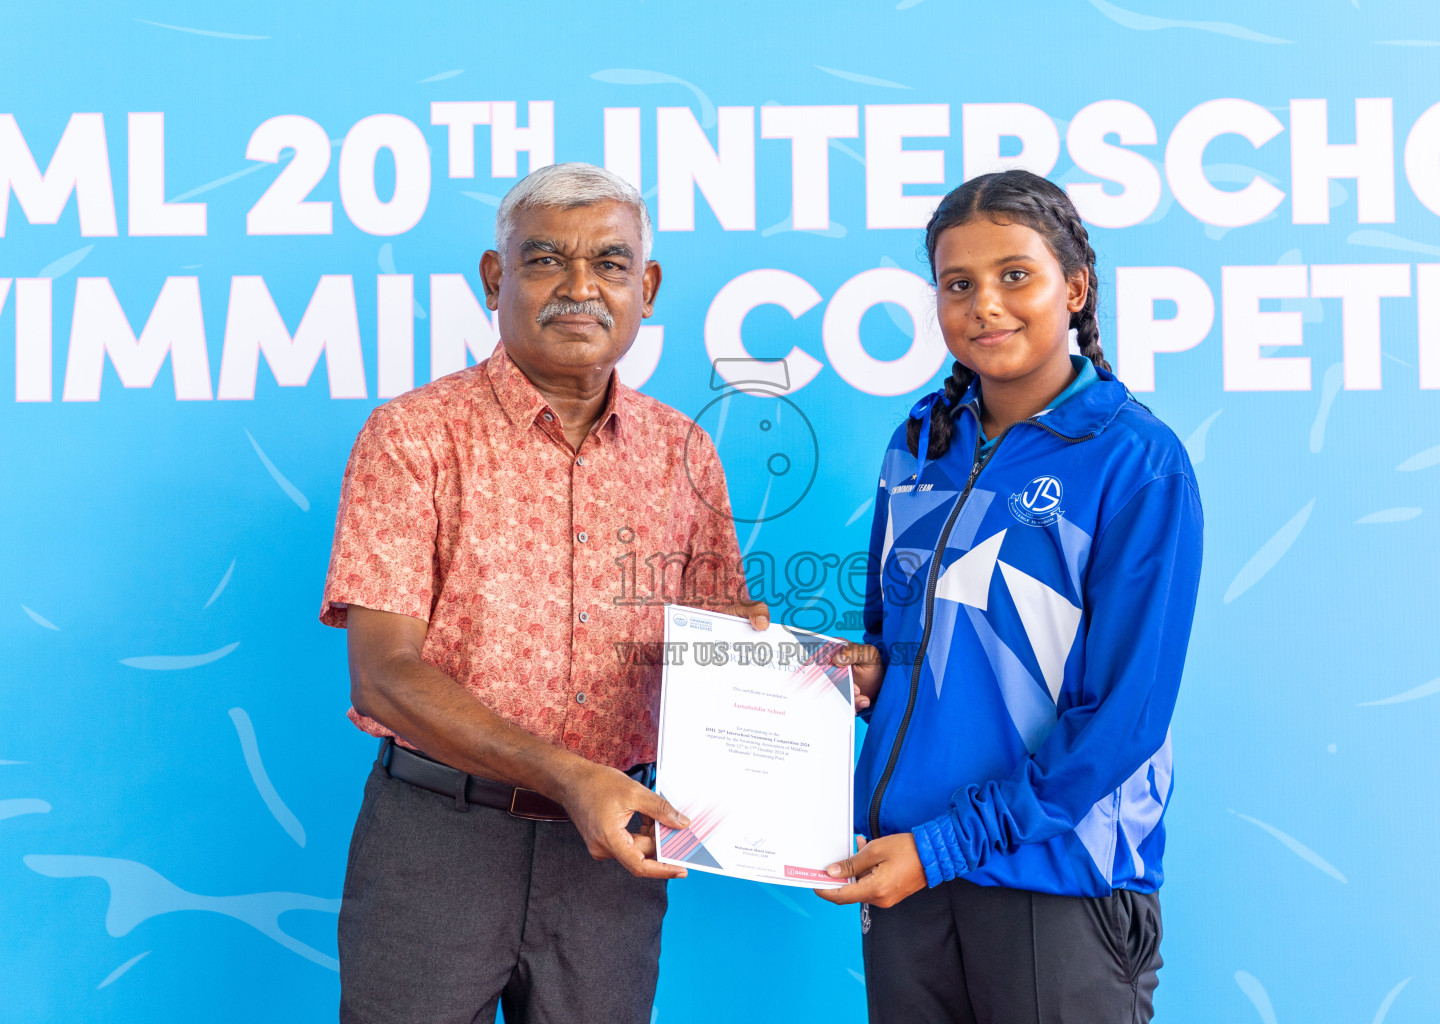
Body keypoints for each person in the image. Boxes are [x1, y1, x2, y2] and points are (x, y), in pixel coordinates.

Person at [319, 162, 766, 1024]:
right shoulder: (412, 437)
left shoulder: (684, 453)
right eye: (544, 261)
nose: (579, 288)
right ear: (496, 279)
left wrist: (787, 675)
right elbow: (382, 676)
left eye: (609, 263)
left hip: (610, 861)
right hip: (436, 842)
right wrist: (569, 778)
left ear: (649, 287)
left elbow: (715, 651)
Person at [817, 169, 1203, 1024]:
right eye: (959, 285)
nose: (985, 304)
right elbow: (903, 641)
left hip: (1054, 877)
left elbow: (1125, 717)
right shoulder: (918, 443)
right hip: (907, 871)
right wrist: (869, 673)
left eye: (1014, 276)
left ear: (1076, 285)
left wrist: (948, 844)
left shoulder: (1135, 462)